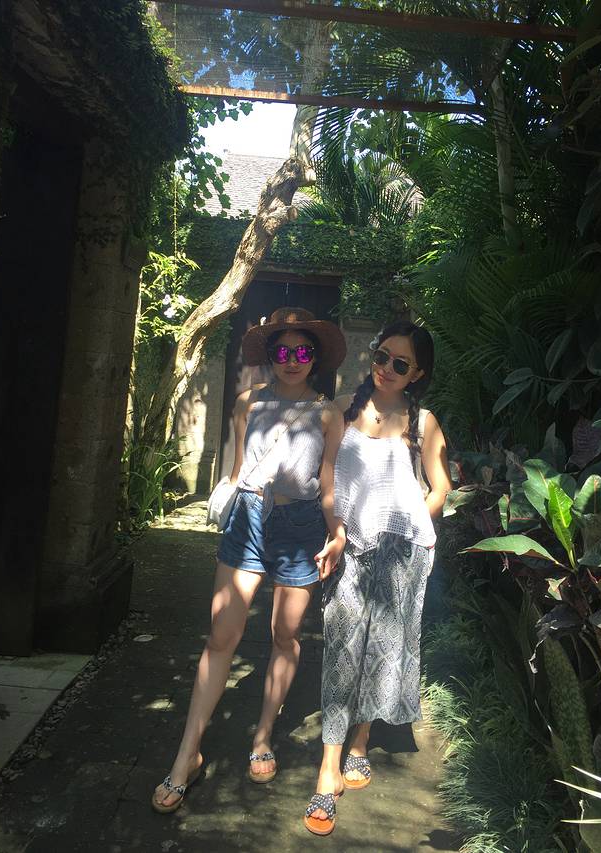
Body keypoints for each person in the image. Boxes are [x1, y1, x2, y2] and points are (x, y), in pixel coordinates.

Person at [152, 307, 347, 813]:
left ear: (315, 357)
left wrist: (337, 532)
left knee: (285, 634)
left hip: (301, 526)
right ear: (270, 355)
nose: (292, 359)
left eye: (303, 351)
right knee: (221, 635)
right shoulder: (247, 404)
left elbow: (327, 483)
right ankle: (187, 754)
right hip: (249, 518)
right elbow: (239, 470)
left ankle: (262, 735)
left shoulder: (329, 413)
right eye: (282, 350)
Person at [303, 320, 452, 836]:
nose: (386, 367)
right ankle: (328, 769)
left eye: (400, 363)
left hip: (400, 551)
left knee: (379, 648)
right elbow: (327, 477)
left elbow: (440, 487)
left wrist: (410, 524)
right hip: (347, 544)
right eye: (381, 355)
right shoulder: (342, 410)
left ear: (418, 373)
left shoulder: (423, 422)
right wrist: (336, 530)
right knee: (342, 651)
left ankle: (361, 741)